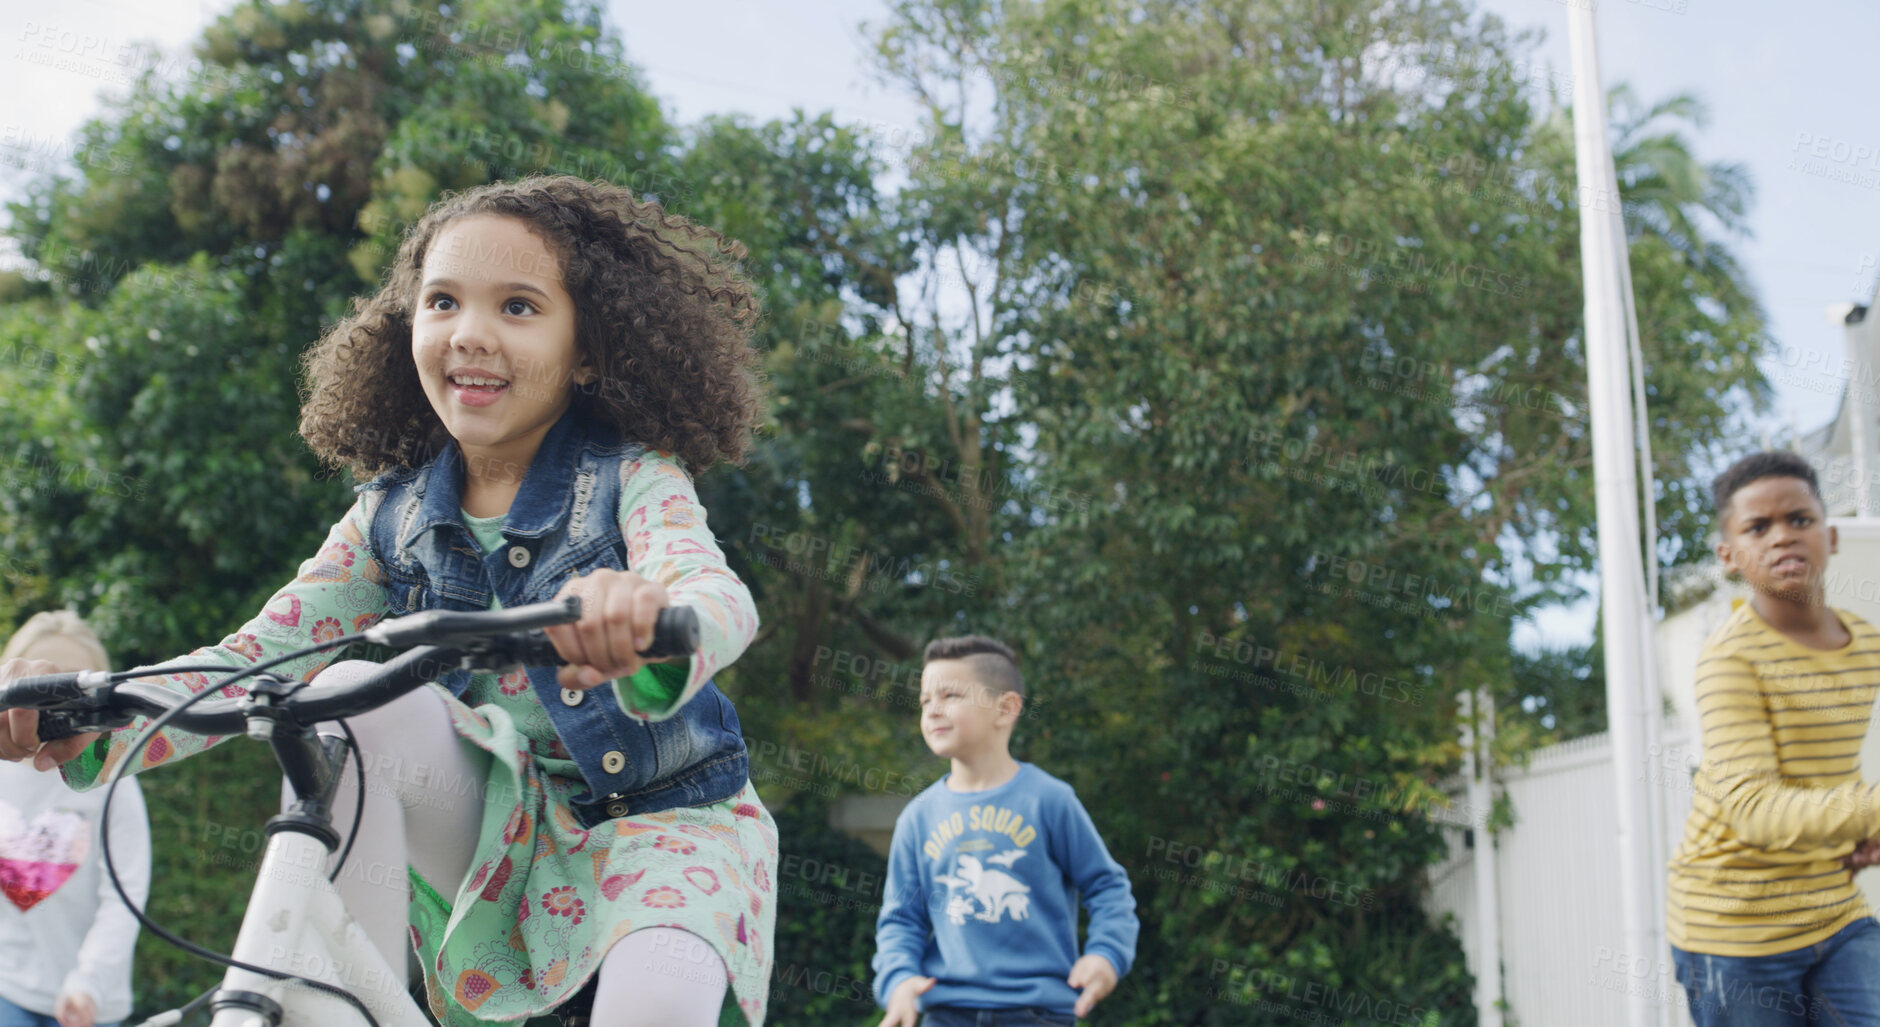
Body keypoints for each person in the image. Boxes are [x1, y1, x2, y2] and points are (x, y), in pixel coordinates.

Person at [0, 176, 775, 1027]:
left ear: (588, 349)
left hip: (663, 834)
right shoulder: (389, 516)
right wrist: (83, 711)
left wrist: (648, 618)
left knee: (657, 1001)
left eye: (518, 307)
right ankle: (335, 1010)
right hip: (501, 839)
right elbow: (251, 659)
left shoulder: (632, 473)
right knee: (343, 703)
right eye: (442, 301)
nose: (470, 333)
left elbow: (712, 593)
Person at [1666, 450, 1880, 1025]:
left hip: (1834, 912)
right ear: (1728, 557)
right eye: (1757, 527)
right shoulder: (1729, 661)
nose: (1782, 538)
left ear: (1831, 535)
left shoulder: (1869, 648)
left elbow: (1822, 763)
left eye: (1799, 519)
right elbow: (1751, 808)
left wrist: (1854, 828)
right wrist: (1875, 809)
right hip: (1733, 930)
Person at [873, 636, 1137, 1027]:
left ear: (1006, 708)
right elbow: (901, 920)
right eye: (925, 701)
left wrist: (1106, 955)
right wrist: (898, 981)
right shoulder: (917, 817)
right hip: (945, 1013)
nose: (932, 711)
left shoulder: (1049, 800)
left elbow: (1107, 888)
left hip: (1039, 1013)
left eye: (949, 695)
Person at [0, 611, 150, 1027]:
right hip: (8, 989)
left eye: (70, 681)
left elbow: (124, 894)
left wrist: (89, 981)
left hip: (90, 1003)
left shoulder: (111, 780)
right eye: (42, 681)